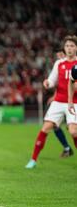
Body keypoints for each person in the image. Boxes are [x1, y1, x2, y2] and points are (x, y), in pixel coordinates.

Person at [26, 35, 77, 168]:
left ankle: (68, 148)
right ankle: (33, 160)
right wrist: (47, 83)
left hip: (74, 102)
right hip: (59, 101)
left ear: (76, 48)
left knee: (73, 132)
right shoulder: (59, 63)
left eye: (72, 46)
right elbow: (52, 80)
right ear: (64, 48)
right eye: (67, 46)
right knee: (45, 128)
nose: (69, 48)